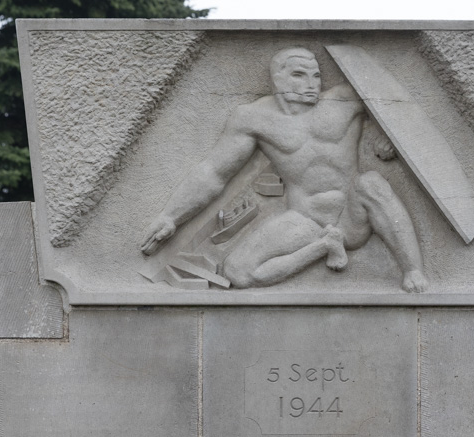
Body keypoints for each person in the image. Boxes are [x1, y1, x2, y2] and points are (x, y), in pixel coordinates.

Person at [139, 47, 428, 293]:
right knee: (238, 272)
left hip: (353, 214)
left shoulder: (345, 99)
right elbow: (215, 173)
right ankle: (324, 246)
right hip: (306, 220)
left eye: (316, 75)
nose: (311, 83)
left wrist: (386, 138)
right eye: (299, 75)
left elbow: (397, 108)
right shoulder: (254, 118)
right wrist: (171, 216)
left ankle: (413, 270)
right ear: (277, 79)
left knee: (371, 182)